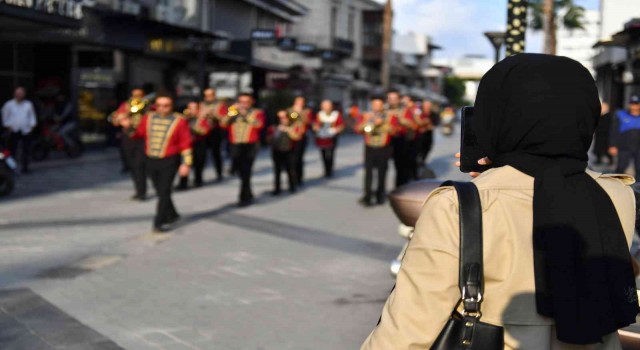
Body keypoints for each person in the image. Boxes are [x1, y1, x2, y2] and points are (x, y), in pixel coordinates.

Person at [362, 54, 638, 349]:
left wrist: (489, 182)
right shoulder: (617, 195)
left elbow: (406, 331)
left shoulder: (459, 206)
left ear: (495, 116)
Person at [124, 95, 192, 233]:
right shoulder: (148, 117)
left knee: (164, 191)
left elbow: (185, 143)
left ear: (171, 106)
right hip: (150, 159)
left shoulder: (180, 121)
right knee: (161, 191)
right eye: (159, 105)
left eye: (166, 105)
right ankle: (173, 214)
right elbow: (138, 134)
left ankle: (159, 222)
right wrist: (128, 126)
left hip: (169, 161)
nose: (162, 108)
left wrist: (186, 163)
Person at [220, 93, 265, 207]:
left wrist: (246, 115)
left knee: (246, 170)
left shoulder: (256, 112)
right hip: (235, 144)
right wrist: (231, 112)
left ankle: (244, 197)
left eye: (246, 102)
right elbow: (223, 124)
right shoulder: (234, 112)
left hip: (250, 144)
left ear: (251, 102)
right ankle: (248, 193)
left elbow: (259, 125)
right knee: (240, 170)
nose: (243, 105)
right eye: (241, 102)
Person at [355, 96, 398, 207]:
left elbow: (395, 130)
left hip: (384, 147)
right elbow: (358, 128)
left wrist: (383, 124)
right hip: (369, 146)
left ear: (383, 105)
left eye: (379, 105)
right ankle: (367, 196)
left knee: (382, 172)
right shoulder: (366, 115)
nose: (377, 107)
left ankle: (380, 195)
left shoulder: (390, 116)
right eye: (375, 105)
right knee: (368, 172)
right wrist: (369, 124)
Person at [113, 88, 150, 201]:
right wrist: (122, 118)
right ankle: (138, 190)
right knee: (132, 165)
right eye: (134, 95)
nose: (136, 97)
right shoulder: (125, 105)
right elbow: (115, 120)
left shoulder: (148, 106)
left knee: (139, 165)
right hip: (128, 137)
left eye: (139, 95)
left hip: (142, 138)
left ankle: (142, 192)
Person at [2, 87, 37, 174]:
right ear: (14, 94)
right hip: (13, 130)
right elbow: (4, 116)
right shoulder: (8, 104)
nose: (19, 95)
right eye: (18, 93)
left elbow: (32, 116)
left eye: (21, 93)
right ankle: (11, 168)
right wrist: (7, 126)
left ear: (24, 94)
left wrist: (32, 126)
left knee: (26, 150)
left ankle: (25, 168)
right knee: (11, 150)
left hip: (26, 130)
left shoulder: (28, 104)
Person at [177, 101, 211, 190]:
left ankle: (198, 180)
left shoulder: (202, 119)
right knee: (185, 163)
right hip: (187, 145)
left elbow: (204, 131)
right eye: (189, 108)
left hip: (199, 144)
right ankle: (183, 182)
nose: (191, 111)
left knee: (198, 163)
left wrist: (192, 127)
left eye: (194, 108)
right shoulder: (183, 119)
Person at [268, 110, 303, 195]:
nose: (283, 120)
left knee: (290, 169)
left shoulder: (294, 126)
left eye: (284, 118)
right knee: (277, 170)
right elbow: (269, 139)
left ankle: (292, 186)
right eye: (280, 118)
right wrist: (277, 132)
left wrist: (288, 130)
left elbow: (297, 136)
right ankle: (277, 188)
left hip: (290, 150)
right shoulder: (273, 128)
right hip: (277, 150)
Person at [199, 88, 227, 182]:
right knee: (201, 154)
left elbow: (225, 119)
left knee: (216, 154)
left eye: (210, 95)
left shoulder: (220, 105)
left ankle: (219, 174)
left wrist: (214, 115)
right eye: (206, 95)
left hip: (215, 132)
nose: (208, 97)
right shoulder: (201, 105)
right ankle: (199, 177)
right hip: (203, 132)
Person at [386, 90, 412, 188]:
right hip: (386, 141)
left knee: (401, 167)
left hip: (401, 140)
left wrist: (399, 118)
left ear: (399, 100)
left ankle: (400, 188)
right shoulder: (383, 110)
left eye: (394, 99)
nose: (392, 101)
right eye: (390, 98)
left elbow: (411, 124)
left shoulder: (405, 111)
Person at [313, 100, 345, 178]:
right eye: (325, 106)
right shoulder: (319, 115)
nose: (327, 108)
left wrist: (336, 130)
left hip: (332, 137)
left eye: (328, 106)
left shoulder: (336, 115)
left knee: (330, 154)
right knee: (323, 154)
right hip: (322, 137)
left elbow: (341, 125)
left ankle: (330, 169)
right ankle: (326, 169)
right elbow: (315, 124)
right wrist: (316, 128)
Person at [609, 95, 640, 176]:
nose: (634, 106)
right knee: (621, 168)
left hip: (638, 148)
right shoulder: (621, 115)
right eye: (632, 103)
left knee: (639, 168)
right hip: (624, 147)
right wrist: (612, 145)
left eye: (636, 103)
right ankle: (617, 186)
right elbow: (614, 131)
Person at [288, 96, 312, 186]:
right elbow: (290, 120)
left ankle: (299, 178)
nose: (300, 103)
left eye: (302, 102)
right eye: (298, 101)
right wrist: (296, 112)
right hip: (291, 136)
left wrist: (300, 113)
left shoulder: (307, 111)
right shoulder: (290, 110)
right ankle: (292, 178)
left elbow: (308, 121)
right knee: (292, 158)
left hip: (302, 136)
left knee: (299, 158)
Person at [399, 95, 420, 181]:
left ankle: (414, 178)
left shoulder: (415, 109)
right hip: (402, 137)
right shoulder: (402, 110)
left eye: (406, 101)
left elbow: (418, 122)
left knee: (412, 160)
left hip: (413, 137)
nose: (405, 103)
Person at [416, 100, 438, 166]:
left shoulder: (433, 114)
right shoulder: (419, 112)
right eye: (425, 105)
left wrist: (427, 127)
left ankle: (422, 161)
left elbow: (435, 124)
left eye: (428, 105)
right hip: (418, 136)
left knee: (427, 148)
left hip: (428, 135)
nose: (427, 107)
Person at [593, 101, 613, 166]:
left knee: (607, 149)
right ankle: (598, 160)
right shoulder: (599, 116)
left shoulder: (609, 116)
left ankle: (610, 160)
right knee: (598, 149)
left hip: (606, 136)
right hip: (599, 135)